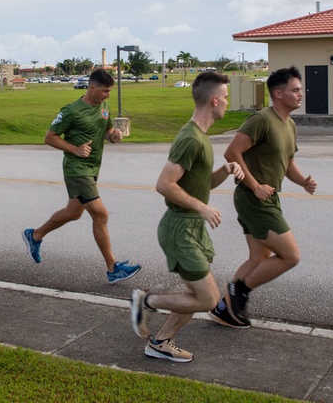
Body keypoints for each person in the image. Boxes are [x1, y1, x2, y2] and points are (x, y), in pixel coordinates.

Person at [130, 72, 243, 362]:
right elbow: (164, 184)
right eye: (226, 98)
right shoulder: (191, 139)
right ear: (214, 100)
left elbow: (199, 185)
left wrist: (226, 170)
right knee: (208, 298)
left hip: (191, 228)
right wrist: (201, 208)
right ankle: (147, 302)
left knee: (199, 293)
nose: (227, 103)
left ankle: (160, 341)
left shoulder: (201, 137)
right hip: (181, 228)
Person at [209, 66, 317, 328]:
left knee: (258, 258)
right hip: (253, 197)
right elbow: (232, 153)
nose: (300, 94)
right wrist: (256, 185)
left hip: (268, 197)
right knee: (291, 256)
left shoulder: (289, 124)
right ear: (278, 94)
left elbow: (287, 162)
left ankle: (224, 309)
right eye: (295, 90)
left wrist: (303, 181)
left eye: (300, 89)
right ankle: (239, 292)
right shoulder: (262, 120)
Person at [21, 68, 141, 283]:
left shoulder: (104, 107)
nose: (108, 95)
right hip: (77, 170)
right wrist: (74, 149)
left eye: (110, 91)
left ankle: (35, 235)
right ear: (92, 87)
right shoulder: (71, 111)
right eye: (105, 91)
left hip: (93, 168)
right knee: (101, 214)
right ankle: (113, 268)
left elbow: (106, 130)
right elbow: (49, 137)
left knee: (73, 212)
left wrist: (114, 136)